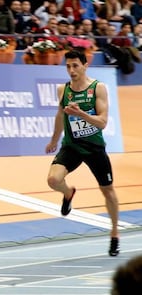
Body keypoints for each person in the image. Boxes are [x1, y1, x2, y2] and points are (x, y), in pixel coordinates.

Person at [45, 49, 120, 257]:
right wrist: (53, 140)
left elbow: (102, 123)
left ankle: (114, 233)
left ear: (85, 65)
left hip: (94, 147)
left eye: (75, 65)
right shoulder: (63, 90)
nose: (71, 70)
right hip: (71, 146)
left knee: (108, 190)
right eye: (68, 66)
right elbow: (60, 115)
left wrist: (80, 113)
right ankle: (68, 193)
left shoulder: (98, 88)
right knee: (52, 180)